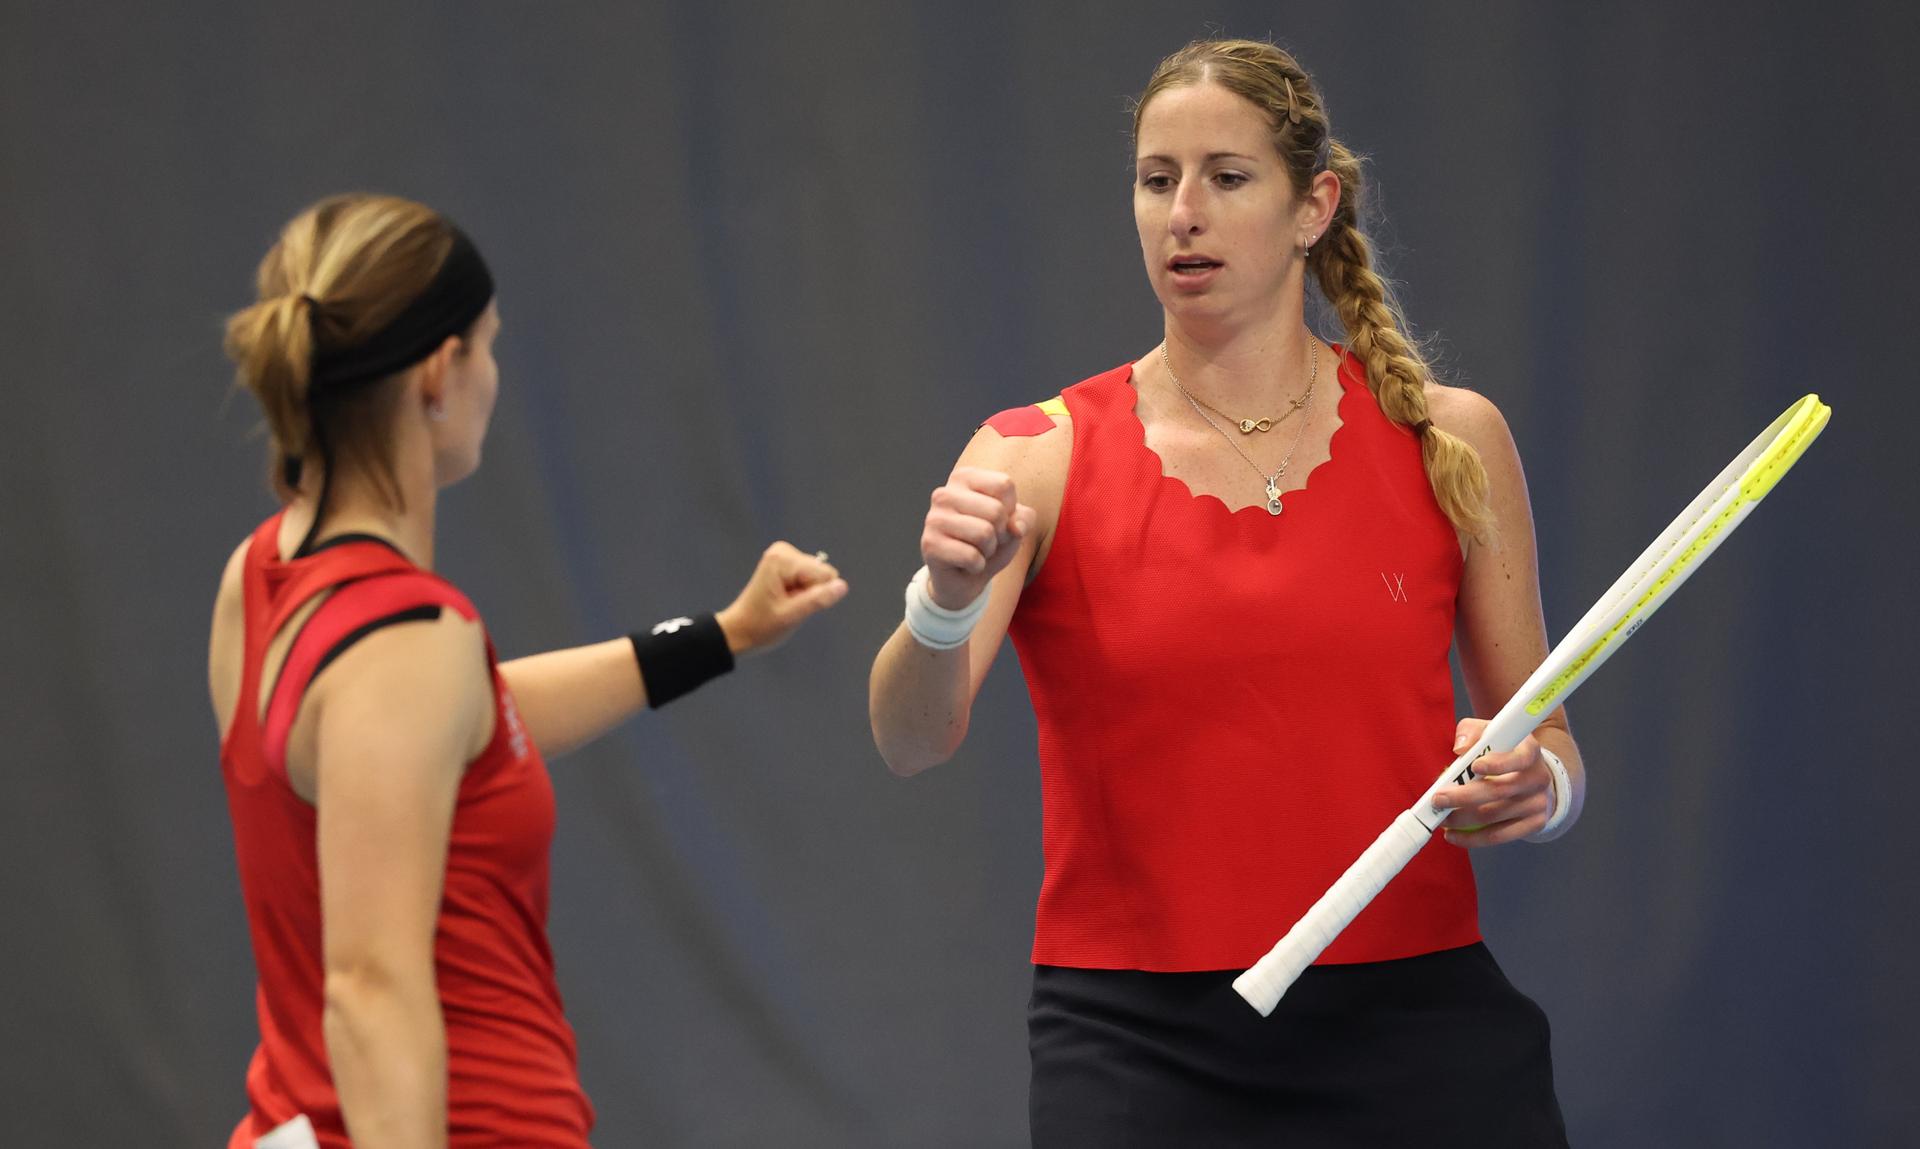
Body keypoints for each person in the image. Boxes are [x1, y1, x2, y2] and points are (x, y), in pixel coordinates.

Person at [868, 38, 1581, 1146]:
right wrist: (944, 600)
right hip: (1141, 1046)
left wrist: (1541, 787)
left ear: (1313, 208)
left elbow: (1550, 741)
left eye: (1227, 177)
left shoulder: (1451, 437)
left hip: (1418, 1025)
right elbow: (911, 739)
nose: (1183, 214)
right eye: (1157, 180)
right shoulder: (1031, 454)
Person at [209, 193, 847, 1148]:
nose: (494, 377)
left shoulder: (261, 578)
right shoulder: (408, 640)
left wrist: (725, 634)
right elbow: (370, 991)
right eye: (489, 346)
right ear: (439, 374)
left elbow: (456, 730)